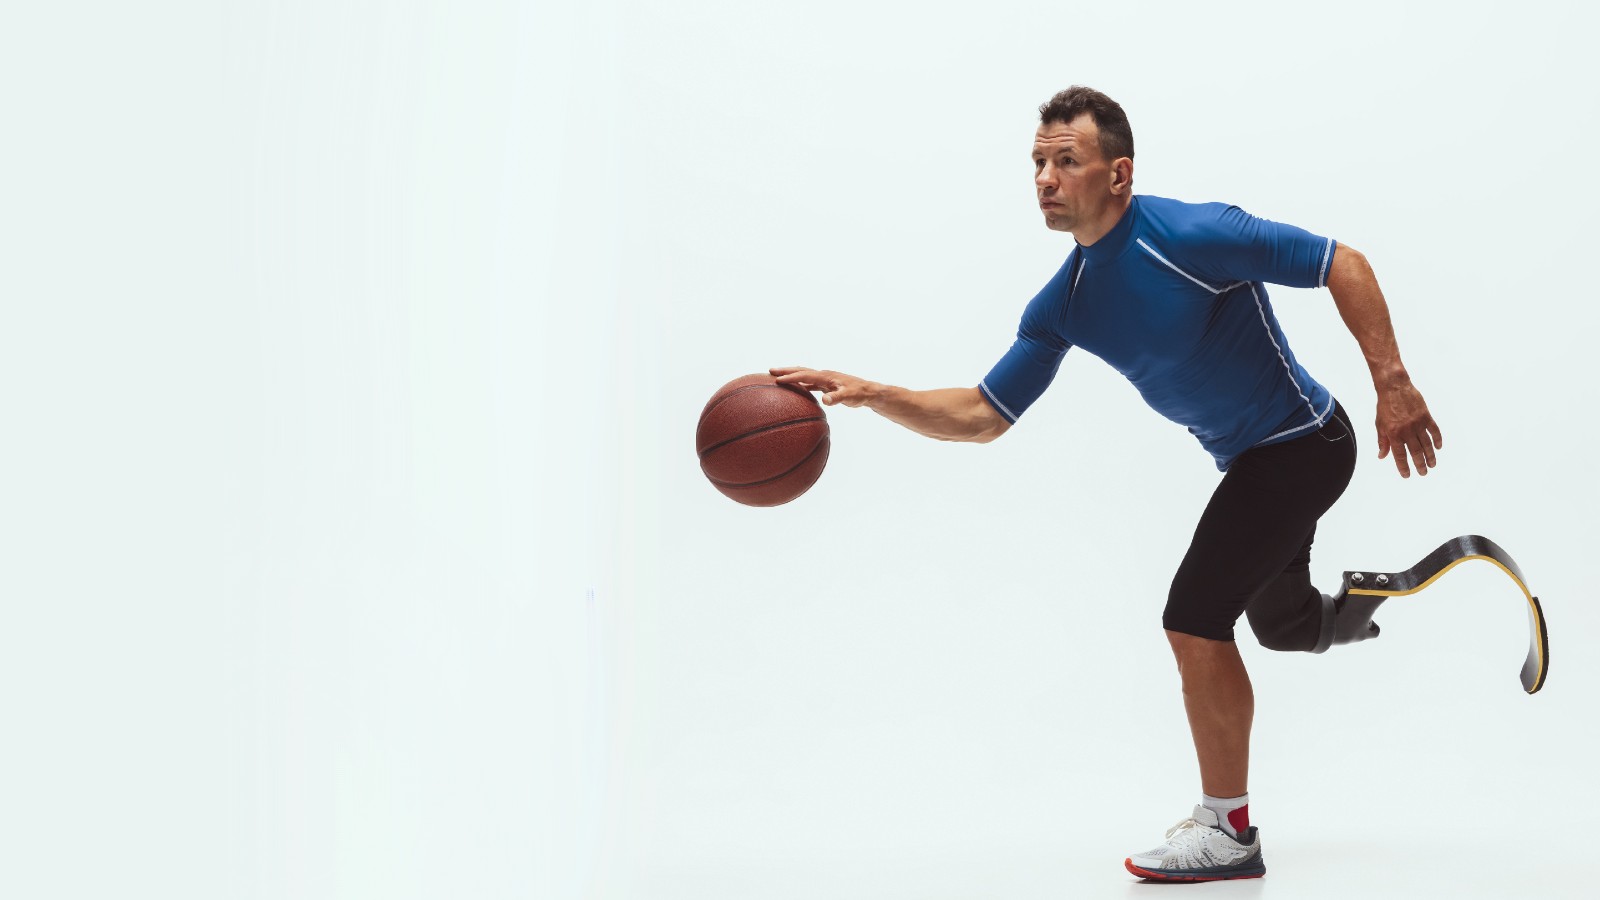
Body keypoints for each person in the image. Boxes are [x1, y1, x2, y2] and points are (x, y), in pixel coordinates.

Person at [771, 85, 1443, 882]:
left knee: (1194, 618)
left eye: (1067, 161)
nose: (1046, 179)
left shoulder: (1193, 234)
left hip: (1302, 443)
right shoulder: (1065, 302)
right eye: (1037, 163)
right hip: (1251, 462)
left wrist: (1392, 382)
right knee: (1282, 626)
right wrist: (875, 392)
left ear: (1118, 173)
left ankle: (1227, 832)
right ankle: (1356, 606)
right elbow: (986, 412)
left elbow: (1342, 262)